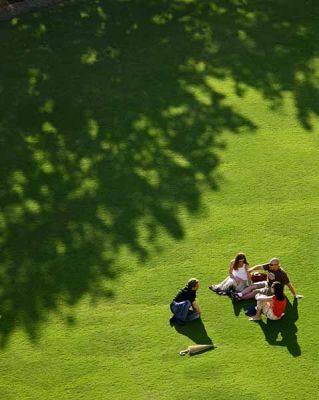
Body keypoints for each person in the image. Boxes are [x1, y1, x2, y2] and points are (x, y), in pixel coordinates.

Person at [231, 257, 303, 301]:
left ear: (277, 265)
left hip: (273, 290)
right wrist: (251, 269)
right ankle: (239, 294)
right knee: (252, 285)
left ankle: (240, 298)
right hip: (267, 283)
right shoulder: (270, 266)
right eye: (269, 264)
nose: (269, 265)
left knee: (255, 291)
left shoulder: (282, 273)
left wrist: (295, 295)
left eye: (271, 264)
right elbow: (259, 267)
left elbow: (289, 284)